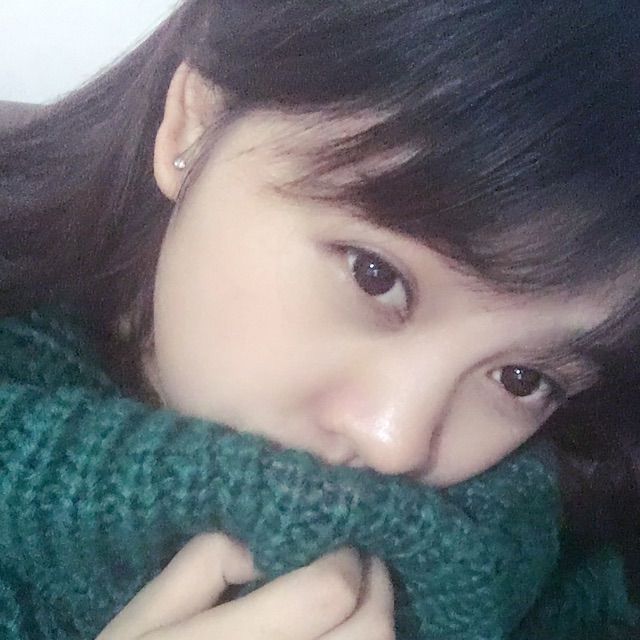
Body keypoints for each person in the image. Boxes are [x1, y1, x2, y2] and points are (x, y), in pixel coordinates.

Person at [1, 1, 639, 638]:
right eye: (375, 275)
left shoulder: (571, 557)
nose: (396, 444)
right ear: (195, 123)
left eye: (523, 378)